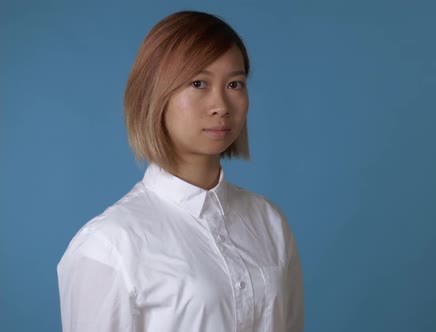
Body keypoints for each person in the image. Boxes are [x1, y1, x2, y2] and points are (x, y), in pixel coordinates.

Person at [57, 11, 304, 332]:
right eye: (198, 83)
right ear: (154, 95)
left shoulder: (269, 223)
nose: (221, 105)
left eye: (234, 84)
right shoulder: (108, 246)